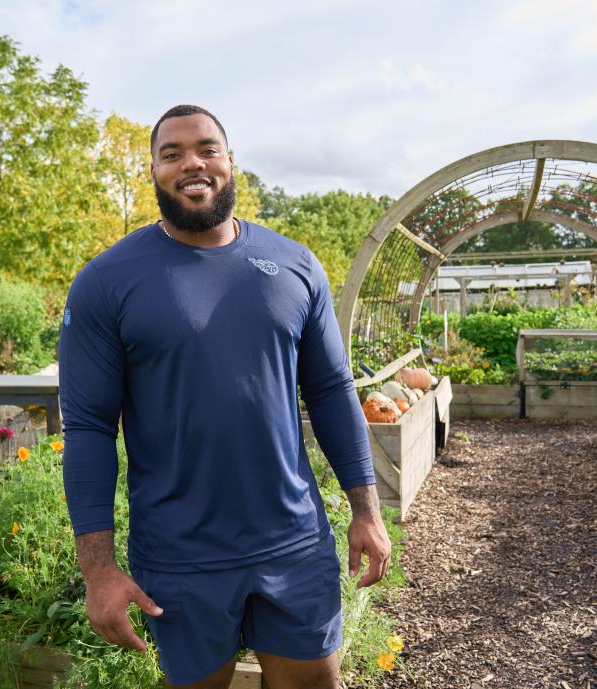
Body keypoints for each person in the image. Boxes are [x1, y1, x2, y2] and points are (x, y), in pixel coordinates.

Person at [58, 104, 391, 689]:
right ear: (154, 171)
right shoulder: (108, 281)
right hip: (179, 551)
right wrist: (98, 570)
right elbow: (87, 427)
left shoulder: (295, 264)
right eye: (172, 153)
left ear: (230, 162)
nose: (192, 163)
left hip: (292, 540)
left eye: (207, 148)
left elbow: (333, 390)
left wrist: (366, 510)